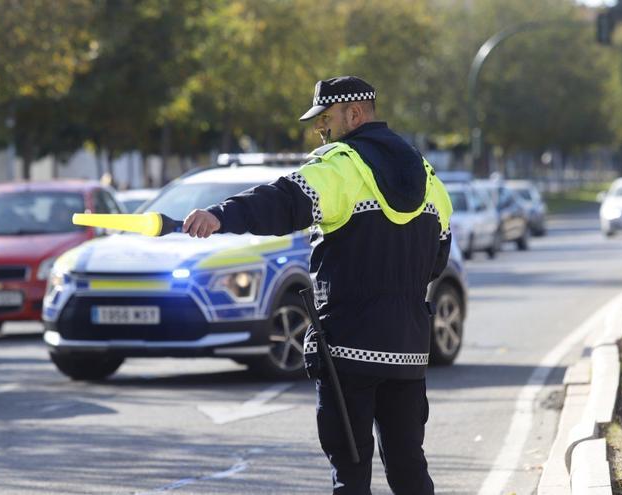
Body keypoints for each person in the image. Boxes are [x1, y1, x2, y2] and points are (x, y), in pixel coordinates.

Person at [183, 76, 452, 494]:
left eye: (325, 120)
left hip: (347, 349)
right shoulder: (429, 177)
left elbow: (285, 200)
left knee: (351, 474)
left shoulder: (342, 166)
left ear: (355, 113)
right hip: (409, 350)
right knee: (409, 469)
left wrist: (222, 216)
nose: (319, 131)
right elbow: (436, 262)